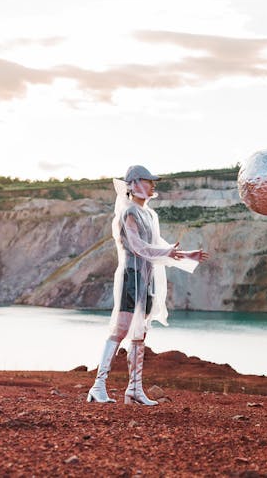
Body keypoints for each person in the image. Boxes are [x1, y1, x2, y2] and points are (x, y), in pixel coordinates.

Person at [87, 165, 209, 405]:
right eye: (148, 181)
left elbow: (157, 244)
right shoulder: (128, 214)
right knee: (121, 329)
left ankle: (134, 390)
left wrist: (185, 255)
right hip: (131, 276)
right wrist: (171, 253)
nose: (153, 185)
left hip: (147, 278)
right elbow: (136, 246)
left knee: (140, 332)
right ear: (133, 184)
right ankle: (98, 386)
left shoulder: (150, 215)